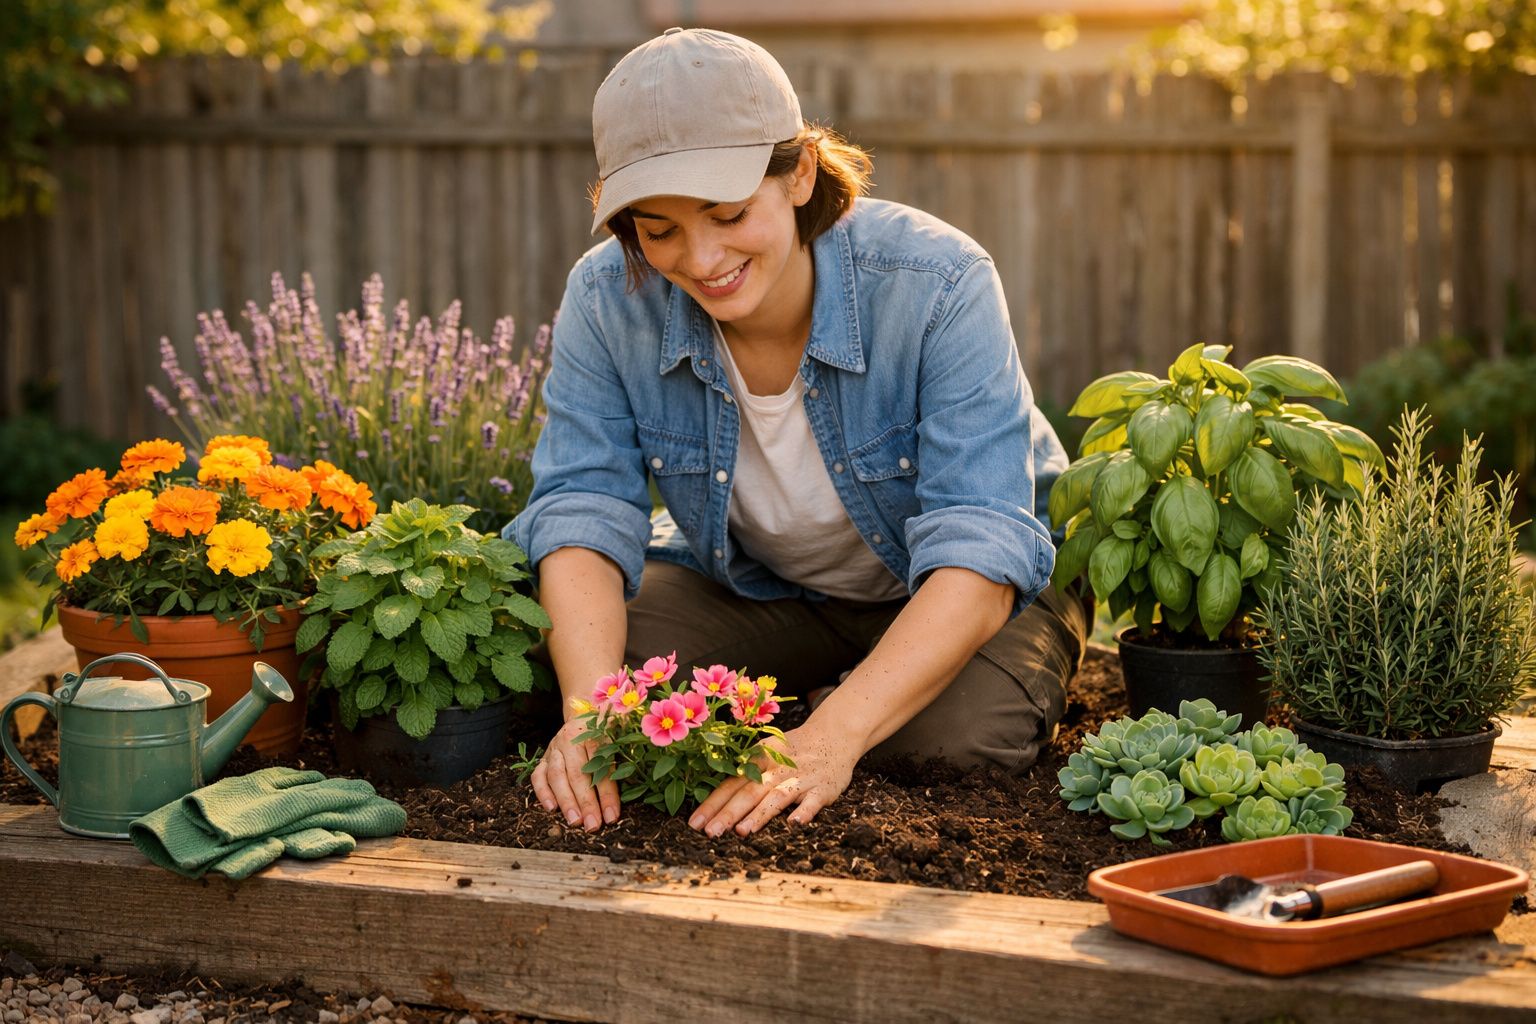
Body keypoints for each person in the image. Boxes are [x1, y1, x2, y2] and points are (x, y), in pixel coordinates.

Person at [508, 27, 1086, 838]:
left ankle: (844, 697)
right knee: (589, 672)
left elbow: (982, 548)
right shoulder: (608, 299)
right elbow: (581, 508)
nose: (701, 259)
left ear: (801, 172)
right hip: (770, 588)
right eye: (659, 229)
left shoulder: (937, 283)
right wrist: (589, 715)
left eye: (728, 213)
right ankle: (832, 687)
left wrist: (833, 739)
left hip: (966, 592)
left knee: (955, 744)